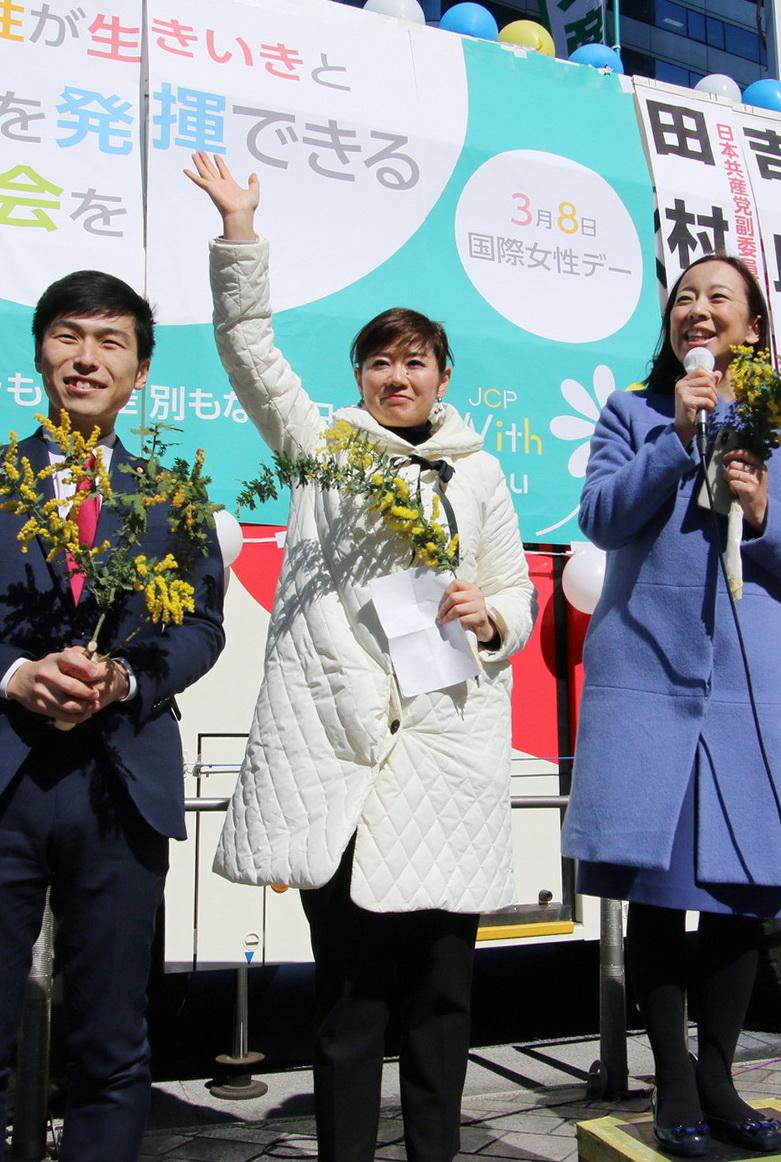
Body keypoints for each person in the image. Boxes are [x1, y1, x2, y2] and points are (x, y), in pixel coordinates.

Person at [184, 151, 537, 1162]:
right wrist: (240, 234)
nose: (396, 376)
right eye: (380, 362)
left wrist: (487, 615)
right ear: (360, 378)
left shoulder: (478, 475)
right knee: (345, 1004)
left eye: (414, 360)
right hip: (337, 750)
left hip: (445, 748)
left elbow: (513, 593)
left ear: (442, 375)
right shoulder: (321, 449)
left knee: (439, 998)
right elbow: (249, 350)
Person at [0, 271, 227, 1160]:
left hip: (120, 783)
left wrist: (125, 678)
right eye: (70, 336)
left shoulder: (172, 496)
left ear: (140, 370)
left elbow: (201, 627)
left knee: (114, 1052)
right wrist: (13, 674)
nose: (87, 358)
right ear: (41, 352)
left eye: (111, 342)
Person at [561, 254, 781, 1155]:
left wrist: (763, 514)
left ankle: (719, 1076)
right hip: (647, 671)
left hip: (748, 687)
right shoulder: (635, 411)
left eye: (719, 297)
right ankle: (671, 1081)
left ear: (754, 326)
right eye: (684, 297)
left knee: (738, 890)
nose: (697, 308)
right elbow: (602, 517)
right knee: (658, 888)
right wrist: (675, 440)